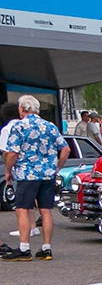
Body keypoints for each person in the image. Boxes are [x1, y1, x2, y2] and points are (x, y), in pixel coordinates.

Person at [1, 95, 68, 262]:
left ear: (22, 109)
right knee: (45, 210)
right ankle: (46, 248)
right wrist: (57, 167)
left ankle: (24, 248)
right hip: (47, 175)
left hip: (27, 174)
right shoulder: (50, 126)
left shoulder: (19, 126)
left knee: (22, 209)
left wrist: (8, 170)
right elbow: (65, 149)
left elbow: (13, 153)